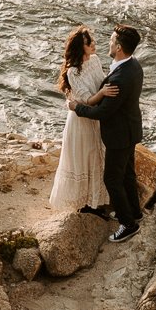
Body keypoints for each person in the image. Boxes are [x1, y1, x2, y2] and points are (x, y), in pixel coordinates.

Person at [70, 25, 145, 242]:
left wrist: (77, 108)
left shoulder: (119, 77)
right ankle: (135, 212)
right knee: (128, 174)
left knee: (112, 179)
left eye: (112, 40)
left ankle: (128, 224)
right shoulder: (133, 65)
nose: (108, 43)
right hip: (130, 129)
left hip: (119, 135)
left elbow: (103, 112)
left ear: (119, 47)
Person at [47, 26, 111, 215]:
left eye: (92, 40)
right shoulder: (72, 73)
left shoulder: (96, 60)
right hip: (81, 121)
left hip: (95, 117)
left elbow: (101, 83)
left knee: (98, 157)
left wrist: (105, 91)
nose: (93, 44)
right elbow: (87, 99)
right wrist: (103, 92)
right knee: (84, 158)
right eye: (88, 42)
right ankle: (85, 204)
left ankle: (97, 201)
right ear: (79, 47)